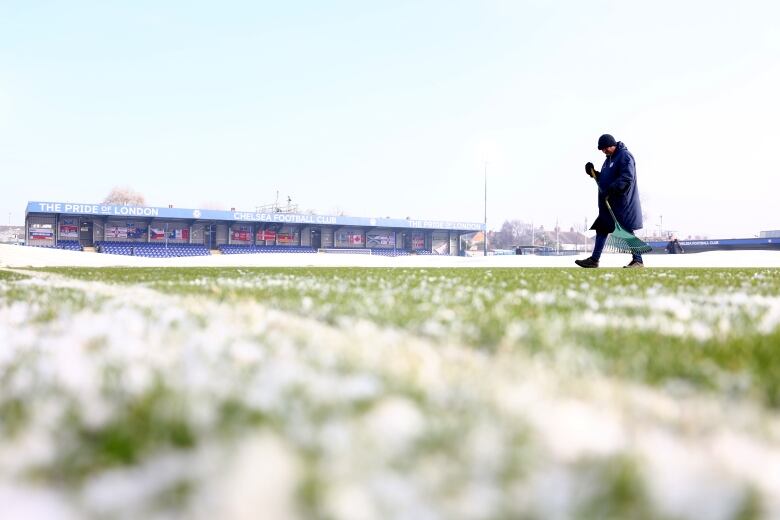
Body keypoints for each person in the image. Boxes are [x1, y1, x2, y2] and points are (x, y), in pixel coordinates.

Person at [575, 133, 644, 268]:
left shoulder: (624, 156)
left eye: (605, 148)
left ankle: (638, 260)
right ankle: (594, 260)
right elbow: (606, 179)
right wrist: (593, 172)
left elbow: (626, 178)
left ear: (613, 145)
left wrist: (611, 190)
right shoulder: (608, 159)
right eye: (602, 149)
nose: (603, 151)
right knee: (601, 228)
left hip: (621, 203)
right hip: (608, 203)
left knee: (626, 231)